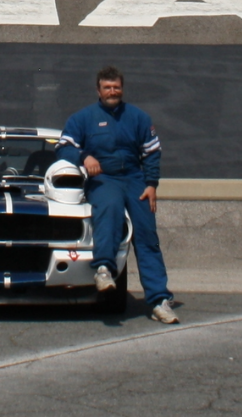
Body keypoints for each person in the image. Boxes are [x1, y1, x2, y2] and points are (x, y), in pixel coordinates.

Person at [56, 66, 178, 323]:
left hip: (135, 179)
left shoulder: (139, 117)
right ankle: (104, 270)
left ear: (122, 89)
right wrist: (84, 156)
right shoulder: (82, 118)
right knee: (109, 212)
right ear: (98, 90)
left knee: (146, 235)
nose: (112, 91)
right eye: (107, 87)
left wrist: (151, 184)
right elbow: (63, 146)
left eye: (116, 87)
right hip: (103, 179)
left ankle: (159, 301)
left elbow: (152, 152)